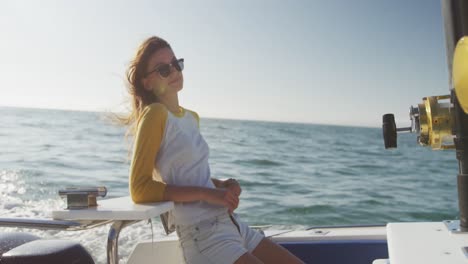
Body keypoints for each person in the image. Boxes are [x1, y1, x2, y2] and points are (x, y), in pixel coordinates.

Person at [123, 36, 304, 264]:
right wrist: (207, 194)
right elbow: (139, 188)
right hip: (203, 237)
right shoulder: (154, 114)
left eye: (176, 64)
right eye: (163, 69)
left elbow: (191, 175)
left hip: (231, 224)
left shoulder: (191, 117)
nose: (174, 72)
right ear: (147, 82)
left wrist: (221, 185)